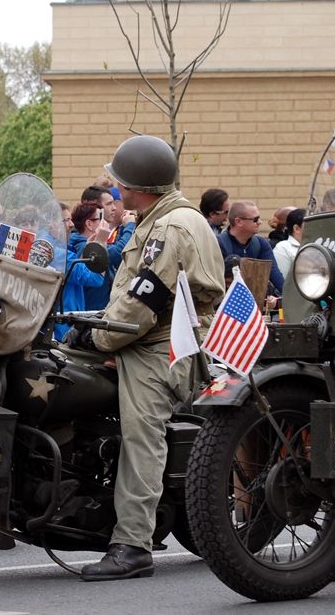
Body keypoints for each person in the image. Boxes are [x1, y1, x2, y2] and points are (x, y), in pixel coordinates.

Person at [75, 136, 224, 581]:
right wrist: (93, 323)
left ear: (135, 186)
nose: (115, 188)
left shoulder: (170, 228)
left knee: (142, 433)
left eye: (119, 182)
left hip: (163, 343)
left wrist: (99, 337)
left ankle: (132, 545)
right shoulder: (160, 219)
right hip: (150, 334)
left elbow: (144, 302)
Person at [56, 203, 107, 340]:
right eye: (66, 220)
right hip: (61, 329)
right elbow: (95, 279)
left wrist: (90, 248)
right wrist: (101, 244)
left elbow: (77, 272)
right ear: (52, 223)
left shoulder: (48, 246)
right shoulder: (57, 254)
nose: (71, 224)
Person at [217, 200, 284, 294]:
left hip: (255, 303)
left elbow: (275, 275)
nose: (260, 222)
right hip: (225, 304)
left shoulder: (261, 243)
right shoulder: (219, 244)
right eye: (255, 219)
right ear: (238, 221)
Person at [273, 207, 305, 278]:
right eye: (310, 226)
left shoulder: (317, 246)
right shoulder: (283, 248)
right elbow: (282, 281)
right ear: (296, 229)